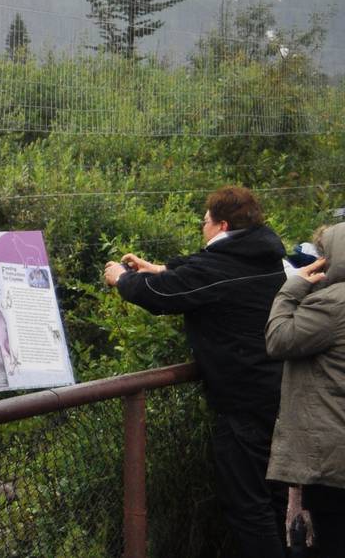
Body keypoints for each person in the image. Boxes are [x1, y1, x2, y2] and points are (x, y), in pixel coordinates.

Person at [104, 185, 288, 558]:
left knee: (248, 506)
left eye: (204, 222)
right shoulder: (263, 255)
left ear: (220, 226)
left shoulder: (220, 267)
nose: (201, 228)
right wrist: (160, 268)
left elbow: (164, 295)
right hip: (279, 393)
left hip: (244, 401)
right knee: (277, 496)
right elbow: (200, 272)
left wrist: (122, 280)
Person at [266, 222, 345, 557]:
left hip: (330, 454)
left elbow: (279, 338)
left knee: (331, 538)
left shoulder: (332, 304)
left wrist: (291, 289)